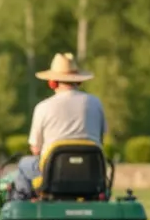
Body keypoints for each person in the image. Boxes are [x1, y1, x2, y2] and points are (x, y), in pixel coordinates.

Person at [12, 52, 106, 197]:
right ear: (79, 81)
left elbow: (36, 150)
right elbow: (100, 140)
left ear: (52, 82)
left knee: (24, 164)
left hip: (53, 174)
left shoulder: (43, 107)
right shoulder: (95, 103)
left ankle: (21, 207)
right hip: (90, 172)